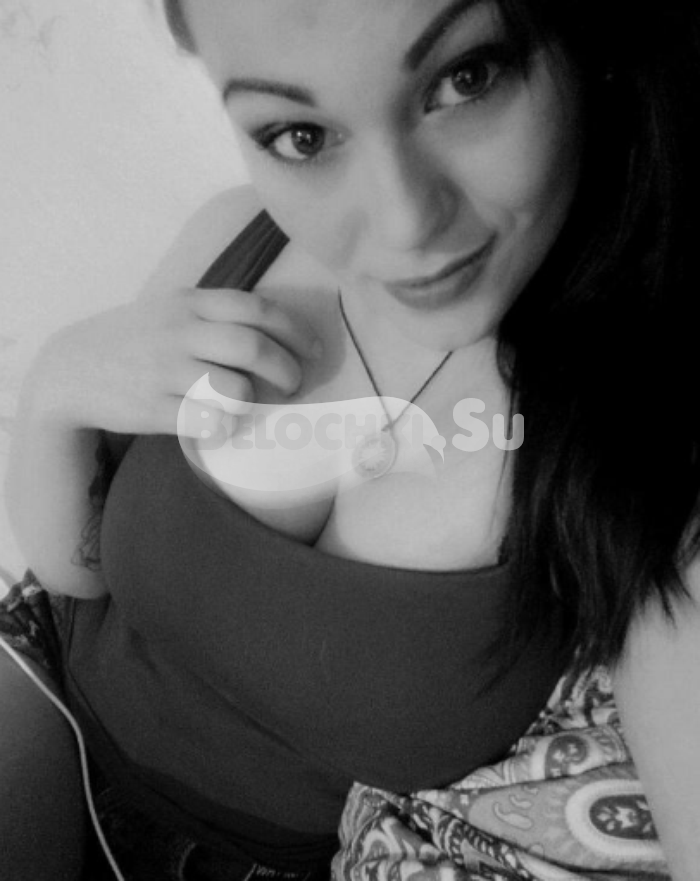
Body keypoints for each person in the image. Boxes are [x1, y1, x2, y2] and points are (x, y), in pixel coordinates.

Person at [2, 0, 700, 878]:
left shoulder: (642, 433)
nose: (405, 223)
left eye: (466, 79)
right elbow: (75, 574)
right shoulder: (234, 246)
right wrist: (57, 387)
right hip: (47, 699)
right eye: (300, 136)